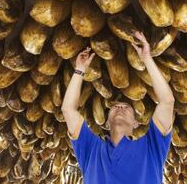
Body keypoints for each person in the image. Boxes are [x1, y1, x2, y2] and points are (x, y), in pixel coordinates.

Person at [61, 31, 175, 184]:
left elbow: (167, 101)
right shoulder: (91, 149)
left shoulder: (151, 147)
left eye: (126, 107)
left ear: (136, 123)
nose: (120, 106)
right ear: (107, 123)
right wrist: (79, 70)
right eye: (116, 107)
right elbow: (69, 110)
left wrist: (147, 59)